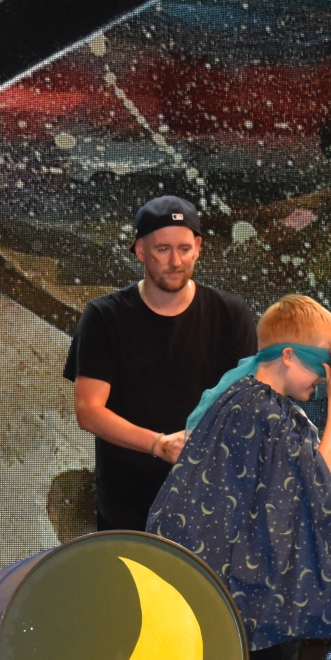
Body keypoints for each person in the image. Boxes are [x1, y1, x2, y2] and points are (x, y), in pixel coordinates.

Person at [149, 294, 331, 660]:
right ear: (288, 356)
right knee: (273, 641)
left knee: (252, 649)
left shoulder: (236, 399)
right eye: (322, 368)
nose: (326, 380)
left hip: (223, 558)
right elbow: (328, 474)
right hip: (247, 563)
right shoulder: (268, 412)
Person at [63, 196, 257, 532]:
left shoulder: (231, 314)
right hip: (125, 509)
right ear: (140, 251)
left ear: (198, 248)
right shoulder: (103, 316)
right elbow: (89, 410)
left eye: (184, 248)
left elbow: (243, 405)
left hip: (206, 507)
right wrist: (158, 444)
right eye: (162, 250)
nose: (175, 261)